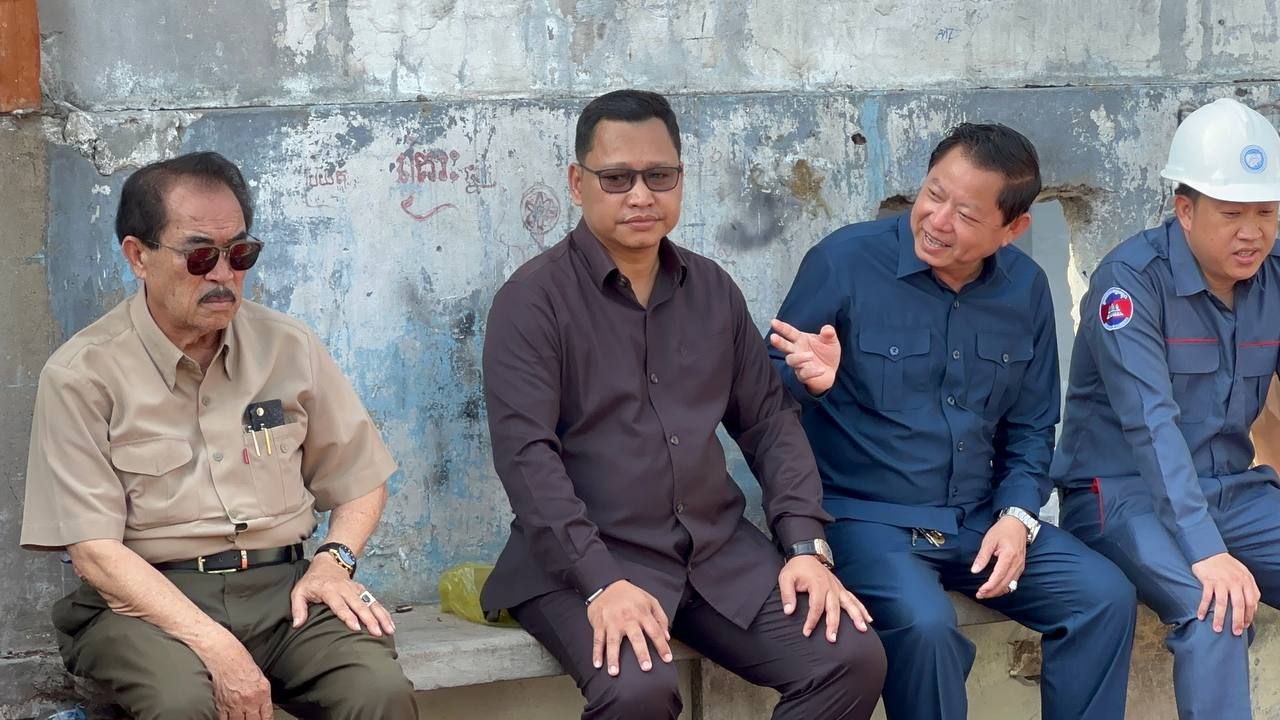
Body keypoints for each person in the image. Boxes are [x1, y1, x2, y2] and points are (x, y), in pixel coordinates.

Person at [480, 89, 887, 720]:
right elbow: (527, 457)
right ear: (577, 183)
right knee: (637, 692)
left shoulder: (712, 290)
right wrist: (600, 582)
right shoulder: (533, 302)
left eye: (659, 176)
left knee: (849, 657)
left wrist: (805, 546)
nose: (640, 196)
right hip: (585, 560)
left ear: (680, 179)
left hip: (717, 553)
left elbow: (769, 423)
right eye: (616, 178)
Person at [20, 152, 417, 720]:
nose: (223, 275)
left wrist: (335, 561)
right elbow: (95, 553)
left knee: (378, 691)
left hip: (285, 591)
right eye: (201, 255)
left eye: (240, 254)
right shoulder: (82, 374)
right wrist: (219, 648)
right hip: (148, 605)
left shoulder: (288, 346)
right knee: (184, 703)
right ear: (138, 256)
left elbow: (361, 478)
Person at [770, 123, 1136, 720]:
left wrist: (1016, 517)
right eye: (933, 195)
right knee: (927, 626)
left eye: (966, 214)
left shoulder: (1025, 289)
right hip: (867, 520)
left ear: (1012, 228)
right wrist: (808, 381)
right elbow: (763, 401)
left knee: (1102, 595)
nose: (938, 221)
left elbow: (1031, 427)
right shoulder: (844, 261)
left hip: (978, 520)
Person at [1052, 97, 1280, 720]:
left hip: (1232, 491)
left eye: (1266, 212)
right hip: (1123, 497)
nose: (1252, 232)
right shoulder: (1130, 283)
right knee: (1216, 612)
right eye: (1231, 213)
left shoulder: (1274, 277)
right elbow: (1151, 427)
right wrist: (1206, 551)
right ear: (1185, 210)